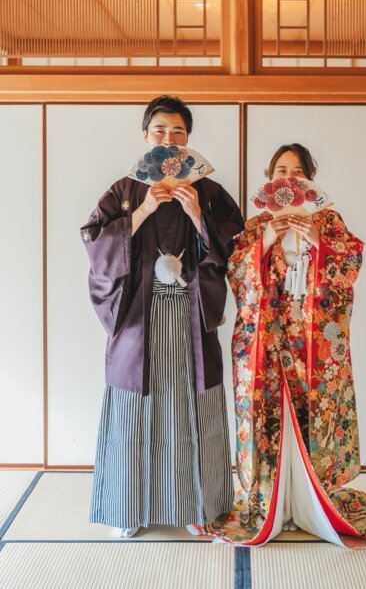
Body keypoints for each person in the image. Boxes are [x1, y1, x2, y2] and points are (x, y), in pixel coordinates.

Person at [218, 143, 366, 546]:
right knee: (269, 413)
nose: (289, 178)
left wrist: (316, 238)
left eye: (298, 172)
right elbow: (238, 273)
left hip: (313, 340)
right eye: (281, 171)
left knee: (313, 414)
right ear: (270, 178)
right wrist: (266, 241)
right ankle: (272, 499)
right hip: (270, 336)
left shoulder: (328, 219)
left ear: (310, 179)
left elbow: (349, 265)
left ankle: (315, 499)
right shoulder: (258, 224)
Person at [81, 95, 243, 538]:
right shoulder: (125, 190)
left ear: (187, 141)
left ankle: (196, 506)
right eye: (159, 131)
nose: (168, 140)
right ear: (145, 137)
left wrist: (198, 215)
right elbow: (96, 245)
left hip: (190, 317)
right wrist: (143, 211)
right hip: (139, 319)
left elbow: (237, 246)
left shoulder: (207, 191)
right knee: (135, 411)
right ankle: (128, 509)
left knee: (192, 411)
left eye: (177, 132)